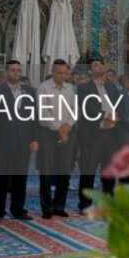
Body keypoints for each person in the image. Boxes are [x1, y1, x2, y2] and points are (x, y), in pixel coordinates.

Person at [77, 57, 129, 209]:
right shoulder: (84, 88)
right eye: (95, 65)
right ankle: (85, 203)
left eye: (101, 64)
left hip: (111, 135)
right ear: (89, 71)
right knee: (88, 171)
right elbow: (87, 107)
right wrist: (105, 116)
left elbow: (120, 106)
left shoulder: (112, 87)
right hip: (93, 134)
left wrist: (115, 118)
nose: (99, 66)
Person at [0, 59, 38, 221]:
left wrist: (34, 139)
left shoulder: (29, 91)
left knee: (20, 178)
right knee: (0, 178)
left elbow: (34, 117)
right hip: (2, 142)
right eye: (13, 70)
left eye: (18, 70)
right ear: (6, 72)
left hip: (22, 142)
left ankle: (18, 209)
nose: (16, 72)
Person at [36, 58, 78, 218]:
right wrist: (59, 128)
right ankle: (47, 208)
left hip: (67, 133)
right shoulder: (43, 88)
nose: (62, 76)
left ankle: (59, 206)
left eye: (65, 73)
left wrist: (67, 126)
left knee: (64, 170)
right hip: (48, 134)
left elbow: (74, 110)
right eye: (59, 73)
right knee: (46, 172)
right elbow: (43, 112)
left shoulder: (70, 88)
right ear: (52, 72)